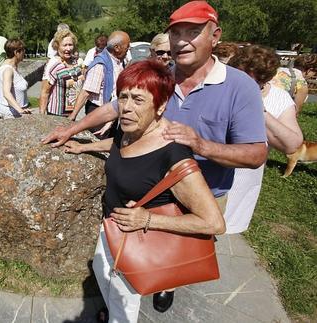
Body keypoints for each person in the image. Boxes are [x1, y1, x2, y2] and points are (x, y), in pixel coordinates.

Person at [42, 1, 267, 313]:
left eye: (193, 32)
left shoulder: (239, 86)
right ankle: (127, 289)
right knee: (135, 248)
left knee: (176, 251)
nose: (182, 40)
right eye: (176, 33)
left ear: (215, 36)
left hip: (202, 191)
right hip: (145, 184)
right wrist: (73, 129)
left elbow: (256, 153)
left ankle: (163, 283)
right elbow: (115, 108)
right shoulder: (162, 77)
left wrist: (201, 145)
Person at [62, 60, 225, 322]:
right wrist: (84, 147)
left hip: (140, 243)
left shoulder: (173, 153)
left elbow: (214, 223)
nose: (126, 107)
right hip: (113, 228)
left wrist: (147, 219)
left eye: (138, 99)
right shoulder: (129, 129)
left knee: (123, 305)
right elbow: (119, 146)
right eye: (123, 97)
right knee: (105, 279)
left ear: (160, 106)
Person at [224, 45, 303, 234]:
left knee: (223, 234)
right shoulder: (221, 88)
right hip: (206, 176)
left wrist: (259, 110)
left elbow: (292, 144)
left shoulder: (278, 98)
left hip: (241, 184)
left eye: (253, 83)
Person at [69, 31, 130, 140]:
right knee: (97, 144)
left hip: (111, 112)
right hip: (98, 113)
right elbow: (86, 93)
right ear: (117, 47)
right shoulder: (101, 65)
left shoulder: (120, 62)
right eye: (127, 46)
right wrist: (73, 116)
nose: (128, 49)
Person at [39, 29, 84, 116]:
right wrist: (42, 117)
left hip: (72, 114)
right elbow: (45, 92)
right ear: (57, 46)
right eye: (64, 45)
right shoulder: (54, 65)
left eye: (70, 45)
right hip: (56, 115)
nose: (68, 48)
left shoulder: (76, 62)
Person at [0, 39, 31, 119]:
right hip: (12, 113)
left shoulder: (12, 67)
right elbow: (6, 93)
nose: (24, 52)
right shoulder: (8, 70)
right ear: (16, 52)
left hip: (15, 111)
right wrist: (20, 110)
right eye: (23, 50)